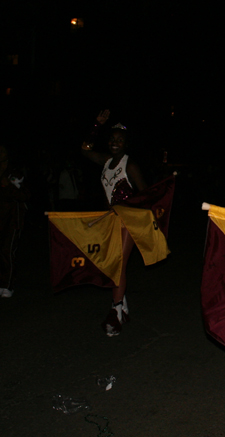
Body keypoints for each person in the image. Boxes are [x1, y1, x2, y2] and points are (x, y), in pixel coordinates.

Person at [81, 109, 147, 336]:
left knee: (118, 264)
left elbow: (145, 195)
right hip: (109, 220)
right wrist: (96, 126)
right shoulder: (105, 160)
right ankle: (123, 303)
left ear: (126, 144)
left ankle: (115, 311)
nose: (115, 143)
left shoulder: (131, 166)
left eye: (120, 140)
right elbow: (85, 149)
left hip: (127, 221)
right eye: (112, 139)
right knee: (110, 265)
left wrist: (133, 212)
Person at [0, 144, 28, 298]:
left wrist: (9, 186)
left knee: (7, 250)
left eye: (2, 151)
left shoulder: (14, 172)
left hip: (13, 218)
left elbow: (24, 195)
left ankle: (9, 285)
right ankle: (1, 283)